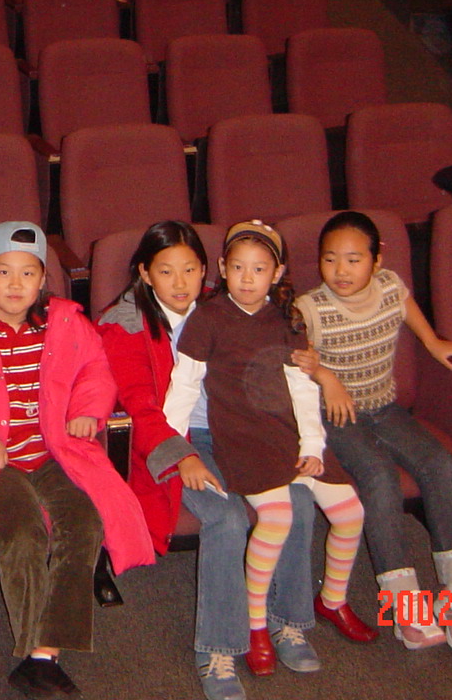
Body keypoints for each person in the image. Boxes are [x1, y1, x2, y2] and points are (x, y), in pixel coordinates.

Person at [0, 221, 154, 700]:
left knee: (84, 524)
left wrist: (87, 410)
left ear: (42, 281)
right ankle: (41, 654)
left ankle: (43, 654)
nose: (15, 284)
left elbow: (96, 369)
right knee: (22, 534)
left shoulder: (66, 323)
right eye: (3, 272)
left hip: (56, 452)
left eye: (27, 273)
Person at [96, 221, 324, 700]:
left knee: (301, 503)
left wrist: (317, 372)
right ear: (145, 273)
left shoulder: (227, 305)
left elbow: (279, 351)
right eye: (166, 271)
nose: (180, 283)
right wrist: (182, 457)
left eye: (190, 270)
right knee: (226, 518)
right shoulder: (124, 325)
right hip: (177, 440)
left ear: (207, 271)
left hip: (242, 431)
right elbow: (139, 408)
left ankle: (285, 621)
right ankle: (217, 648)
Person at [165, 221, 375, 681]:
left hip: (291, 432)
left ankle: (332, 600)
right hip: (244, 439)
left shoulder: (287, 317)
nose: (247, 278)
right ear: (222, 268)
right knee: (278, 518)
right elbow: (184, 388)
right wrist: (178, 449)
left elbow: (302, 388)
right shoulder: (208, 318)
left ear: (276, 273)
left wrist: (313, 444)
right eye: (238, 267)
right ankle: (258, 624)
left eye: (259, 269)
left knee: (349, 512)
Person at [294, 210, 452, 656]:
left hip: (384, 407)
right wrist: (326, 376)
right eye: (329, 259)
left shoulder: (390, 286)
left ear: (376, 260)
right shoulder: (310, 308)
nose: (340, 271)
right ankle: (404, 604)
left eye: (353, 260)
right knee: (380, 478)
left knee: (440, 465)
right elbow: (296, 359)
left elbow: (406, 307)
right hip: (337, 417)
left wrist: (433, 341)